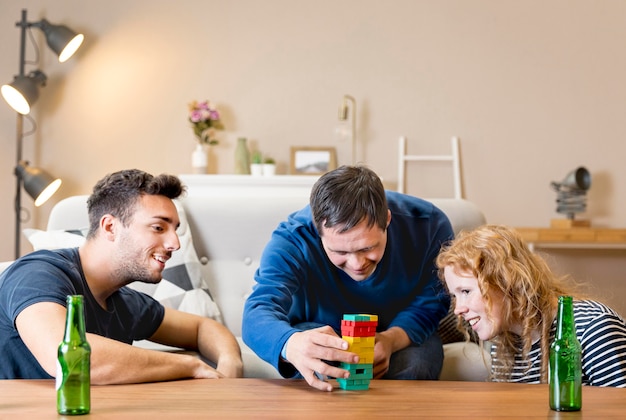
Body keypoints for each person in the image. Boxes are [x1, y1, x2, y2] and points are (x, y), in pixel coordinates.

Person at [0, 169, 243, 383]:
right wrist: (190, 366)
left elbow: (203, 328)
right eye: (159, 227)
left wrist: (230, 365)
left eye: (175, 230)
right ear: (110, 227)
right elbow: (66, 357)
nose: (174, 243)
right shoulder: (37, 274)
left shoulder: (125, 303)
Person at [243, 165, 453, 391]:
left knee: (417, 366)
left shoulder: (429, 225)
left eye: (368, 248)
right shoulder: (292, 239)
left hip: (400, 332)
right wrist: (290, 343)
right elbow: (258, 311)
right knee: (317, 365)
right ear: (318, 229)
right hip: (318, 328)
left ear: (388, 220)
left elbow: (433, 301)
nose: (357, 264)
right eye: (340, 252)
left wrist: (390, 340)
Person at [436, 224, 626, 387]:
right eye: (455, 295)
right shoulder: (504, 342)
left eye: (466, 292)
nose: (458, 309)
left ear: (505, 281)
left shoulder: (594, 329)